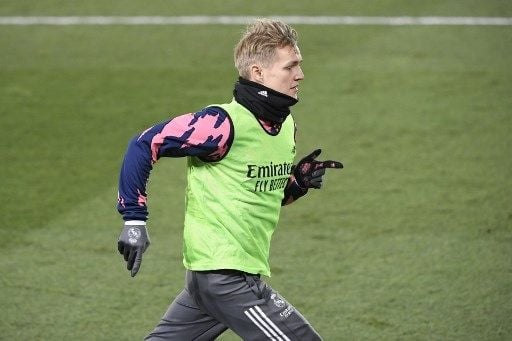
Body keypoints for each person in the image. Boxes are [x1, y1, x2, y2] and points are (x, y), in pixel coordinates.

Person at [117, 18, 343, 340]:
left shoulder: (284, 127)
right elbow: (145, 143)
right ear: (258, 73)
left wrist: (296, 185)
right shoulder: (220, 124)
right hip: (226, 278)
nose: (300, 75)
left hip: (219, 277)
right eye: (290, 66)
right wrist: (134, 220)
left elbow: (260, 195)